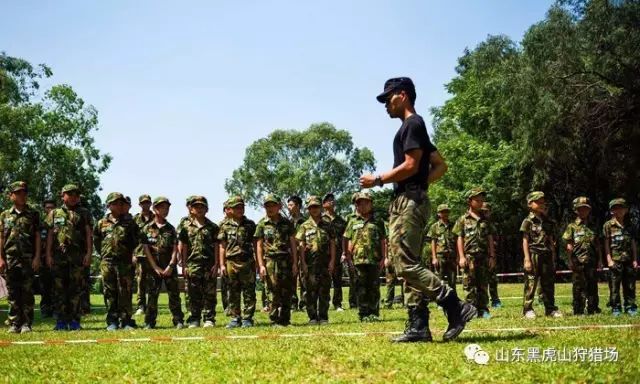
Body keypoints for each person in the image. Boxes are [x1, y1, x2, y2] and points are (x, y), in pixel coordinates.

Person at [360, 77, 476, 342]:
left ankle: (454, 305)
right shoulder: (413, 127)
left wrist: (377, 180)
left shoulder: (412, 124)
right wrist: (421, 184)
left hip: (409, 201)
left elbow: (412, 165)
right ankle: (418, 325)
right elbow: (439, 165)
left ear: (403, 95)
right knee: (408, 263)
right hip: (412, 198)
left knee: (404, 264)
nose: (386, 104)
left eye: (388, 98)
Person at [45, 184, 93, 330]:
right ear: (62, 195)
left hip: (77, 258)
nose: (73, 197)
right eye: (70, 194)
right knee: (59, 290)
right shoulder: (54, 213)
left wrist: (89, 253)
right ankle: (60, 321)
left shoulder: (84, 213)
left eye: (76, 195)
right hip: (59, 258)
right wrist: (47, 254)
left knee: (76, 290)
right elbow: (49, 236)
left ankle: (74, 321)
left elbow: (88, 234)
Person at [94, 192, 141, 330]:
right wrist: (104, 254)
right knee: (109, 291)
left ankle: (126, 320)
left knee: (125, 292)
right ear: (109, 205)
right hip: (107, 262)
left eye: (121, 203)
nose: (120, 206)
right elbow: (97, 240)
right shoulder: (101, 223)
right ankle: (112, 321)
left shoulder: (130, 223)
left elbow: (137, 241)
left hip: (124, 263)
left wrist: (133, 255)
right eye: (116, 203)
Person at [0, 181, 41, 334]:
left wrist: (37, 257)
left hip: (28, 259)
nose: (22, 196)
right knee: (12, 292)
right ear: (11, 196)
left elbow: (37, 236)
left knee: (27, 292)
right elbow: (1, 238)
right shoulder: (4, 215)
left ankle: (26, 324)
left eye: (24, 193)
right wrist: (0, 258)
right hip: (10, 259)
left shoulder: (33, 214)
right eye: (18, 193)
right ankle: (14, 323)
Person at [140, 196, 184, 329]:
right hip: (153, 268)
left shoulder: (171, 229)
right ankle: (149, 322)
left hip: (169, 267)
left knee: (174, 295)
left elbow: (175, 248)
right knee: (152, 295)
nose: (164, 210)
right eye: (161, 207)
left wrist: (171, 265)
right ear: (154, 209)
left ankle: (178, 320)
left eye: (167, 207)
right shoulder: (147, 228)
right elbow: (146, 249)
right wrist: (155, 267)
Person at [255, 194, 298, 326]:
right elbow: (259, 246)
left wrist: (295, 263)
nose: (270, 208)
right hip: (270, 261)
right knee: (272, 290)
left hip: (285, 260)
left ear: (279, 206)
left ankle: (285, 319)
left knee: (286, 290)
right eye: (267, 206)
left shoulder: (287, 223)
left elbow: (293, 244)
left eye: (273, 205)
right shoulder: (262, 224)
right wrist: (261, 266)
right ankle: (274, 318)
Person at [453, 188, 495, 319]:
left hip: (483, 256)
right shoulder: (462, 220)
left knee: (483, 284)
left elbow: (490, 238)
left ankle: (483, 310)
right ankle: (470, 310)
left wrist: (492, 256)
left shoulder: (485, 220)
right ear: (469, 201)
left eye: (482, 200)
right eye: (477, 200)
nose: (481, 202)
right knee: (469, 284)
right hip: (469, 256)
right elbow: (459, 237)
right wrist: (461, 256)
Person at [178, 196, 219, 328]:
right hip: (192, 264)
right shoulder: (186, 227)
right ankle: (194, 318)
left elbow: (217, 246)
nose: (199, 209)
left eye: (202, 207)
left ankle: (209, 318)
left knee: (210, 293)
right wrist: (184, 265)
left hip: (209, 264)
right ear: (192, 209)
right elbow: (184, 246)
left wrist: (217, 263)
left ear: (207, 209)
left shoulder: (212, 227)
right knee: (193, 292)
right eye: (196, 207)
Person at [344, 191, 386, 321]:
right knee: (360, 287)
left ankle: (374, 312)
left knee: (374, 286)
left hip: (374, 259)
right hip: (358, 259)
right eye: (359, 204)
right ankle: (363, 314)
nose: (362, 206)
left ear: (371, 204)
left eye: (365, 203)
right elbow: (346, 238)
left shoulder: (378, 221)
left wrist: (384, 258)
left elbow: (383, 240)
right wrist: (347, 255)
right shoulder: (352, 221)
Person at [521, 191, 561, 319]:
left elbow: (551, 240)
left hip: (547, 254)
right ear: (530, 204)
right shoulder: (528, 221)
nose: (541, 204)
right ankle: (528, 309)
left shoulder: (548, 221)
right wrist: (527, 259)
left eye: (543, 202)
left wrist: (553, 256)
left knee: (548, 283)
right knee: (531, 282)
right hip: (534, 254)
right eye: (538, 202)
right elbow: (525, 240)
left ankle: (550, 308)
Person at [218, 196, 257, 328]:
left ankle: (248, 318)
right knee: (233, 291)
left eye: (241, 207)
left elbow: (256, 244)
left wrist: (257, 261)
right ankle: (235, 318)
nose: (240, 210)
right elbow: (222, 246)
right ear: (230, 209)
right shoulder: (224, 225)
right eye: (236, 208)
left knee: (249, 291)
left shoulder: (250, 225)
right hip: (231, 262)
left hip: (247, 262)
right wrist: (222, 264)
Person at [297, 196, 336, 325]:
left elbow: (332, 244)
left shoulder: (328, 225)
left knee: (324, 290)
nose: (314, 209)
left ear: (320, 208)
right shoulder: (304, 226)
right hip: (310, 264)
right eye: (311, 207)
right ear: (308, 209)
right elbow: (301, 246)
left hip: (324, 263)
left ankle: (323, 316)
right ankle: (312, 317)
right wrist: (302, 263)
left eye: (316, 207)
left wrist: (332, 262)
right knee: (310, 292)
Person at [562, 196, 601, 315]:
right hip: (577, 261)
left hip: (591, 261)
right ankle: (578, 309)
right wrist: (569, 260)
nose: (583, 211)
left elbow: (598, 245)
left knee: (592, 285)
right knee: (578, 286)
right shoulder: (571, 227)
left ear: (589, 210)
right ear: (575, 210)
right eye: (580, 209)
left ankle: (593, 308)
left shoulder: (593, 226)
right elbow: (569, 245)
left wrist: (600, 261)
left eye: (585, 208)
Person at [602, 198, 637, 316]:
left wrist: (635, 260)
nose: (619, 210)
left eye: (621, 208)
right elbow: (606, 244)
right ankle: (616, 308)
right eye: (615, 208)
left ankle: (630, 306)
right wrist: (609, 260)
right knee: (614, 286)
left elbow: (633, 244)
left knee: (630, 285)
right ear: (612, 211)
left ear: (626, 210)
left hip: (628, 260)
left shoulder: (630, 225)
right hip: (615, 260)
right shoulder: (608, 225)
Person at [322, 193, 348, 311]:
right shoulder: (321, 220)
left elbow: (345, 237)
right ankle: (324, 303)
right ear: (323, 204)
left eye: (332, 200)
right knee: (324, 280)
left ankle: (337, 303)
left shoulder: (341, 220)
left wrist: (344, 253)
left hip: (337, 253)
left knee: (337, 279)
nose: (331, 202)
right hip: (323, 254)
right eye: (328, 200)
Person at [427, 204, 457, 293]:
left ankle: (453, 300)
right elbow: (433, 242)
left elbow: (457, 240)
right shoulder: (434, 226)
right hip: (440, 256)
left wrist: (459, 256)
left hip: (451, 256)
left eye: (447, 211)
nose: (445, 213)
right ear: (438, 214)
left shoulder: (453, 225)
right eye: (443, 212)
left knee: (452, 280)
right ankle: (440, 300)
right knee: (439, 280)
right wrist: (434, 258)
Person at [133, 194, 154, 316]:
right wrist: (133, 254)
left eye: (147, 202)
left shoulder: (156, 217)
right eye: (143, 203)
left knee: (152, 282)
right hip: (140, 254)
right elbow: (131, 238)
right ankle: (141, 306)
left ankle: (151, 305)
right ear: (140, 204)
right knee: (140, 281)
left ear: (150, 204)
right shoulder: (135, 219)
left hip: (153, 255)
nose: (145, 204)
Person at [38, 198, 57, 318]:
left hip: (58, 258)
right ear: (44, 209)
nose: (50, 209)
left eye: (52, 207)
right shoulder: (41, 224)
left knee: (57, 285)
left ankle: (56, 309)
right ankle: (45, 309)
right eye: (47, 207)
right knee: (44, 285)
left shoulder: (60, 222)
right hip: (43, 259)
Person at [287, 195, 305, 311]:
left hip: (303, 253)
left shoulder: (305, 222)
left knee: (304, 278)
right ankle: (293, 304)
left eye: (291, 205)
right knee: (292, 278)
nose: (289, 207)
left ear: (298, 206)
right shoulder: (287, 222)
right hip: (290, 254)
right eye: (288, 205)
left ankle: (304, 303)